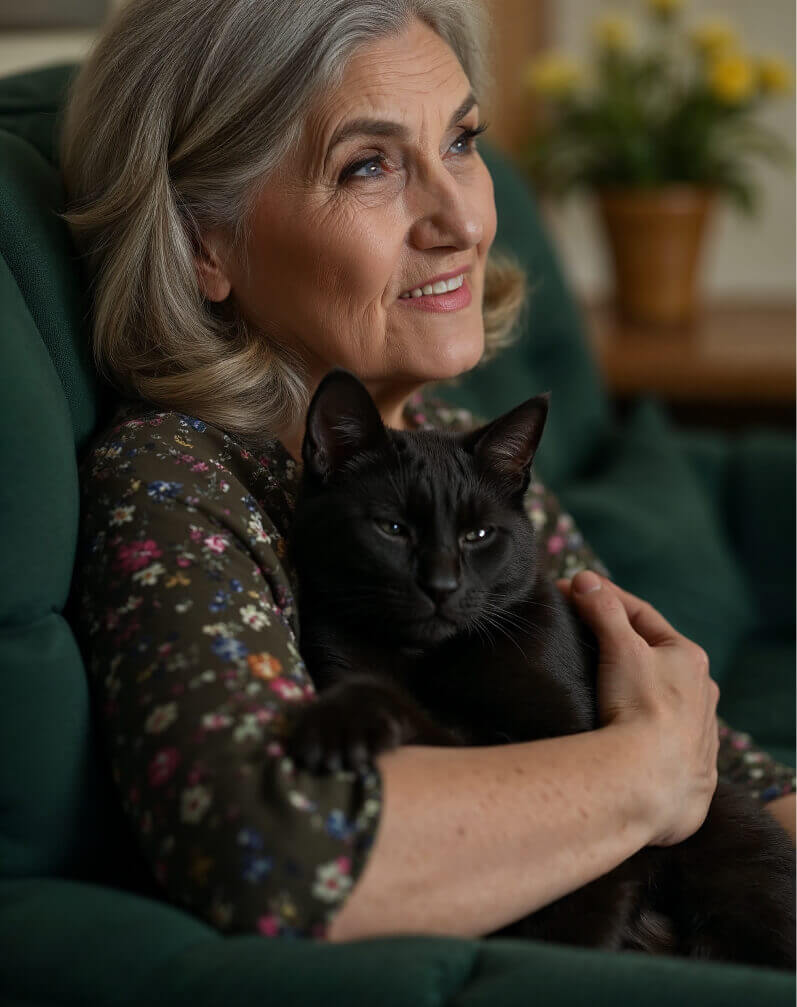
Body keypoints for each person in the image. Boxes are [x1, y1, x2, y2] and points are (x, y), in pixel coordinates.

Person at [60, 0, 795, 942]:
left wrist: (673, 757)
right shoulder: (173, 479)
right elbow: (270, 858)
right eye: (367, 166)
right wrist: (643, 774)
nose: (460, 219)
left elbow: (716, 763)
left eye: (460, 142)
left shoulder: (451, 435)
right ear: (203, 243)